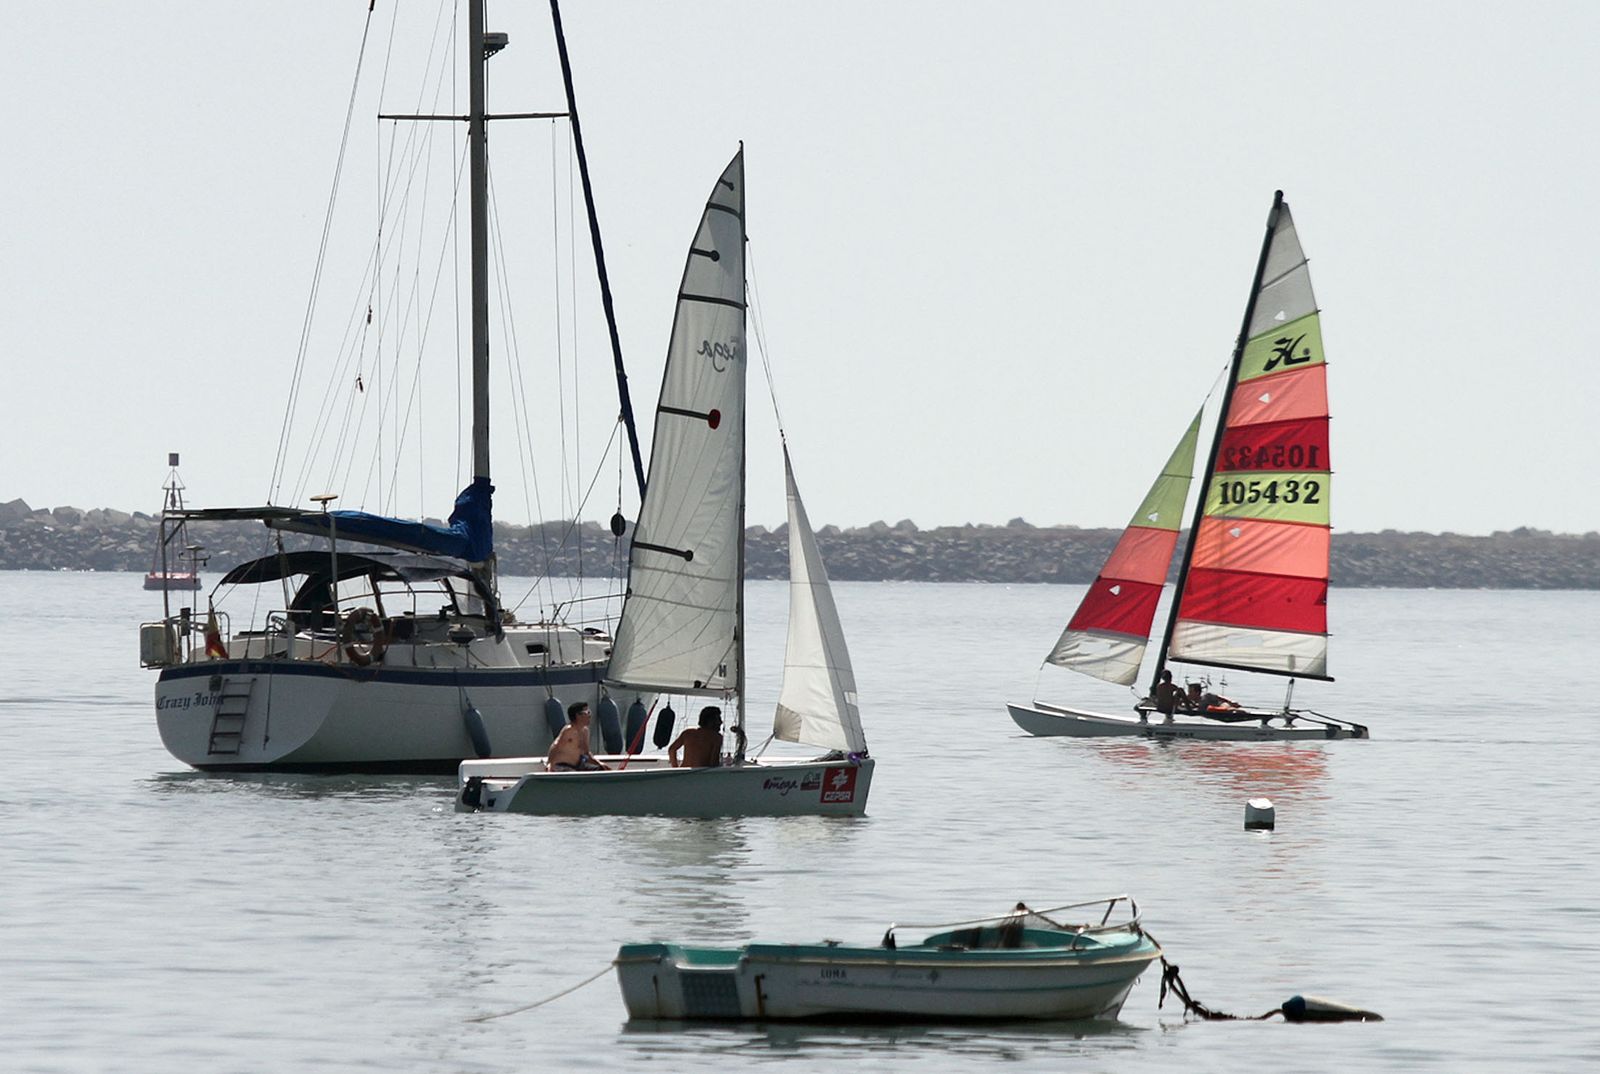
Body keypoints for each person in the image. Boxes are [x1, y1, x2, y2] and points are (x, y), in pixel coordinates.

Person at [545, 701, 610, 772]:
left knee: (601, 769)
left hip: (578, 765)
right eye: (587, 712)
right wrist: (550, 763)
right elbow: (555, 747)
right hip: (562, 765)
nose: (589, 716)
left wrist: (600, 764)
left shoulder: (585, 731)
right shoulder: (568, 730)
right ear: (578, 715)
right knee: (572, 773)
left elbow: (586, 753)